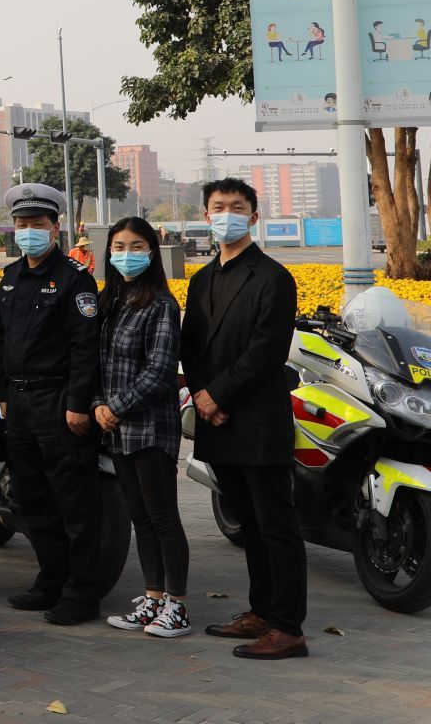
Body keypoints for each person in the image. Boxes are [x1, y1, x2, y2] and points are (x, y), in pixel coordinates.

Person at [181, 178, 306, 659]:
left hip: (258, 420)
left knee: (276, 525)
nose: (227, 214)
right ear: (206, 216)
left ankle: (288, 628)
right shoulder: (202, 280)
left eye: (237, 207)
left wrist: (216, 394)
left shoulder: (273, 277)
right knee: (249, 523)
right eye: (218, 207)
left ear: (253, 217)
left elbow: (266, 351)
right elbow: (191, 346)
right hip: (217, 421)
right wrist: (201, 395)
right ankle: (262, 611)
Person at [0, 181, 102, 625]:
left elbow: (85, 347)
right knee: (32, 498)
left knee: (73, 500)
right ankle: (50, 581)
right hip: (19, 403)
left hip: (59, 402)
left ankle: (82, 593)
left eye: (37, 224)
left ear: (55, 229)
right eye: (21, 224)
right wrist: (2, 391)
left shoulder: (75, 279)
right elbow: (4, 341)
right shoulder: (11, 277)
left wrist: (77, 403)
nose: (28, 231)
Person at [94, 216, 191, 638]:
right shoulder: (110, 301)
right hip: (116, 429)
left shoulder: (161, 304)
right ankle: (153, 598)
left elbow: (160, 370)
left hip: (151, 427)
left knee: (163, 516)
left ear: (151, 252)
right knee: (140, 517)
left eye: (136, 246)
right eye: (118, 246)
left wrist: (114, 408)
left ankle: (177, 606)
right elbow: (97, 363)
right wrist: (98, 405)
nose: (126, 254)